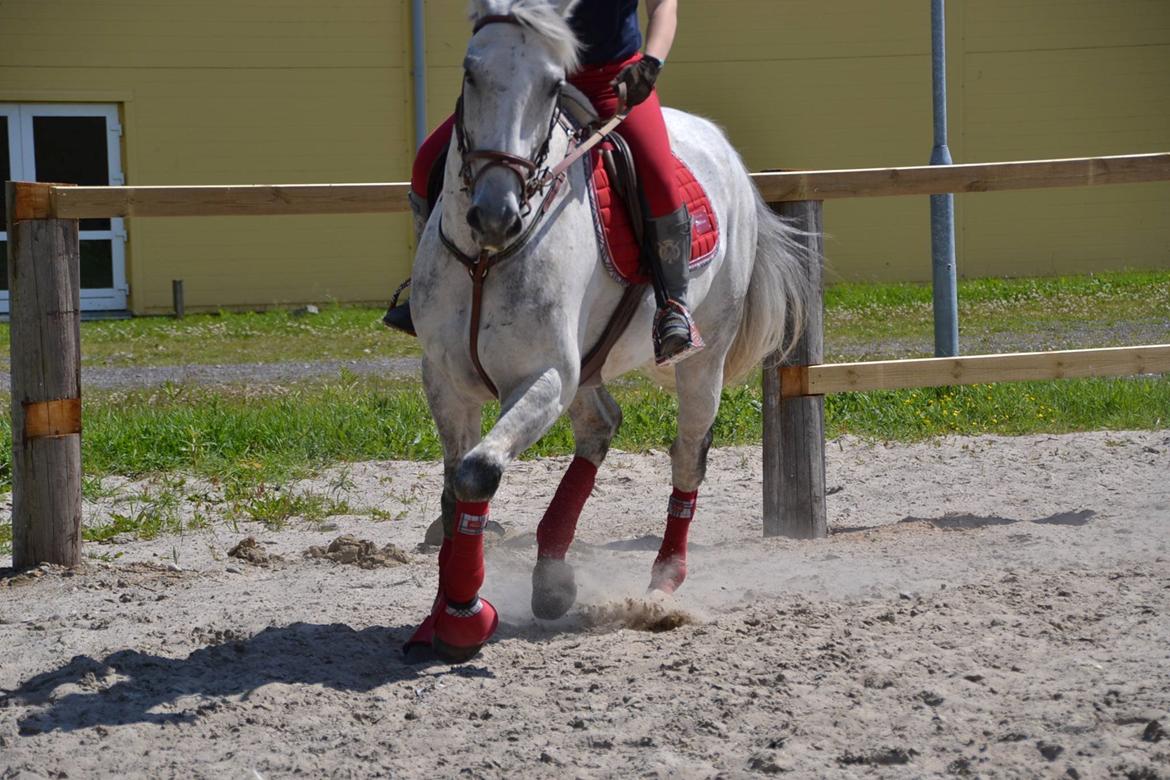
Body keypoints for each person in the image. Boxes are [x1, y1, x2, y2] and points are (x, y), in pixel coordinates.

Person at [384, 0, 701, 365]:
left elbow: (663, 6)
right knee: (427, 163)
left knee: (658, 177)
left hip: (612, 82)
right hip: (530, 77)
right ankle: (429, 287)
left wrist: (651, 62)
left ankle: (673, 307)